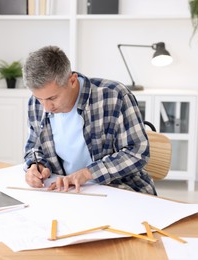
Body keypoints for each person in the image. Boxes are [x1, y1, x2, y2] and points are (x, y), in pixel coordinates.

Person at [22, 45, 156, 195]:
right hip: (65, 192)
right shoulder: (35, 103)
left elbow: (137, 152)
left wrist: (87, 174)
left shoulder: (114, 96)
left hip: (119, 190)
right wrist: (36, 164)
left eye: (52, 98)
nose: (46, 107)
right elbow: (34, 147)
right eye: (39, 99)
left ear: (72, 81)